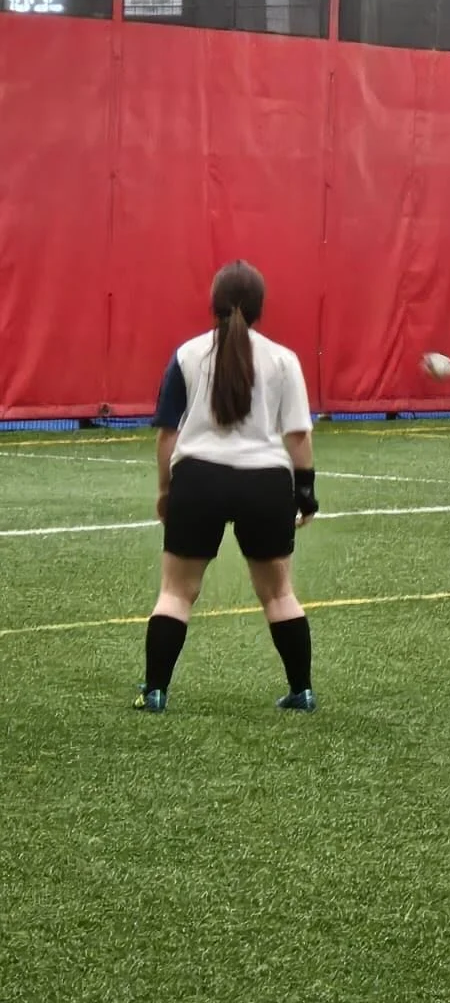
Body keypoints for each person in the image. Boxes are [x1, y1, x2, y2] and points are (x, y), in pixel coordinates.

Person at [135, 260, 320, 713]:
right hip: (266, 484)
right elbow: (298, 435)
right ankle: (302, 692)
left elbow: (166, 435)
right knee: (279, 593)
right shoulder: (283, 359)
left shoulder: (187, 354)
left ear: (213, 303)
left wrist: (165, 489)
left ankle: (155, 692)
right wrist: (305, 491)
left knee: (177, 593)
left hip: (199, 480)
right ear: (260, 308)